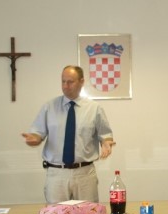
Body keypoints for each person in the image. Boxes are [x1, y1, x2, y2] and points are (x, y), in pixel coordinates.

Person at [22, 65, 116, 204]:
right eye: (63, 81)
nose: (65, 86)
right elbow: (37, 134)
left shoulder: (94, 108)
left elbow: (105, 134)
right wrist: (34, 139)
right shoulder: (49, 107)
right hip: (56, 174)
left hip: (85, 174)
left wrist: (106, 142)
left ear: (81, 82)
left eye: (70, 82)